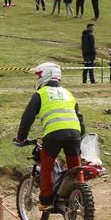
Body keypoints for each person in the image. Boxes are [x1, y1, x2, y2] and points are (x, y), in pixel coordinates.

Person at [14, 63, 85, 209]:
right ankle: (81, 197)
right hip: (75, 133)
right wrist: (79, 135)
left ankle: (46, 201)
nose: (37, 78)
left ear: (46, 75)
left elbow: (27, 118)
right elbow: (79, 117)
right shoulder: (68, 93)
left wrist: (21, 137)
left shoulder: (40, 94)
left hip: (54, 134)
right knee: (76, 166)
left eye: (38, 75)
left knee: (47, 165)